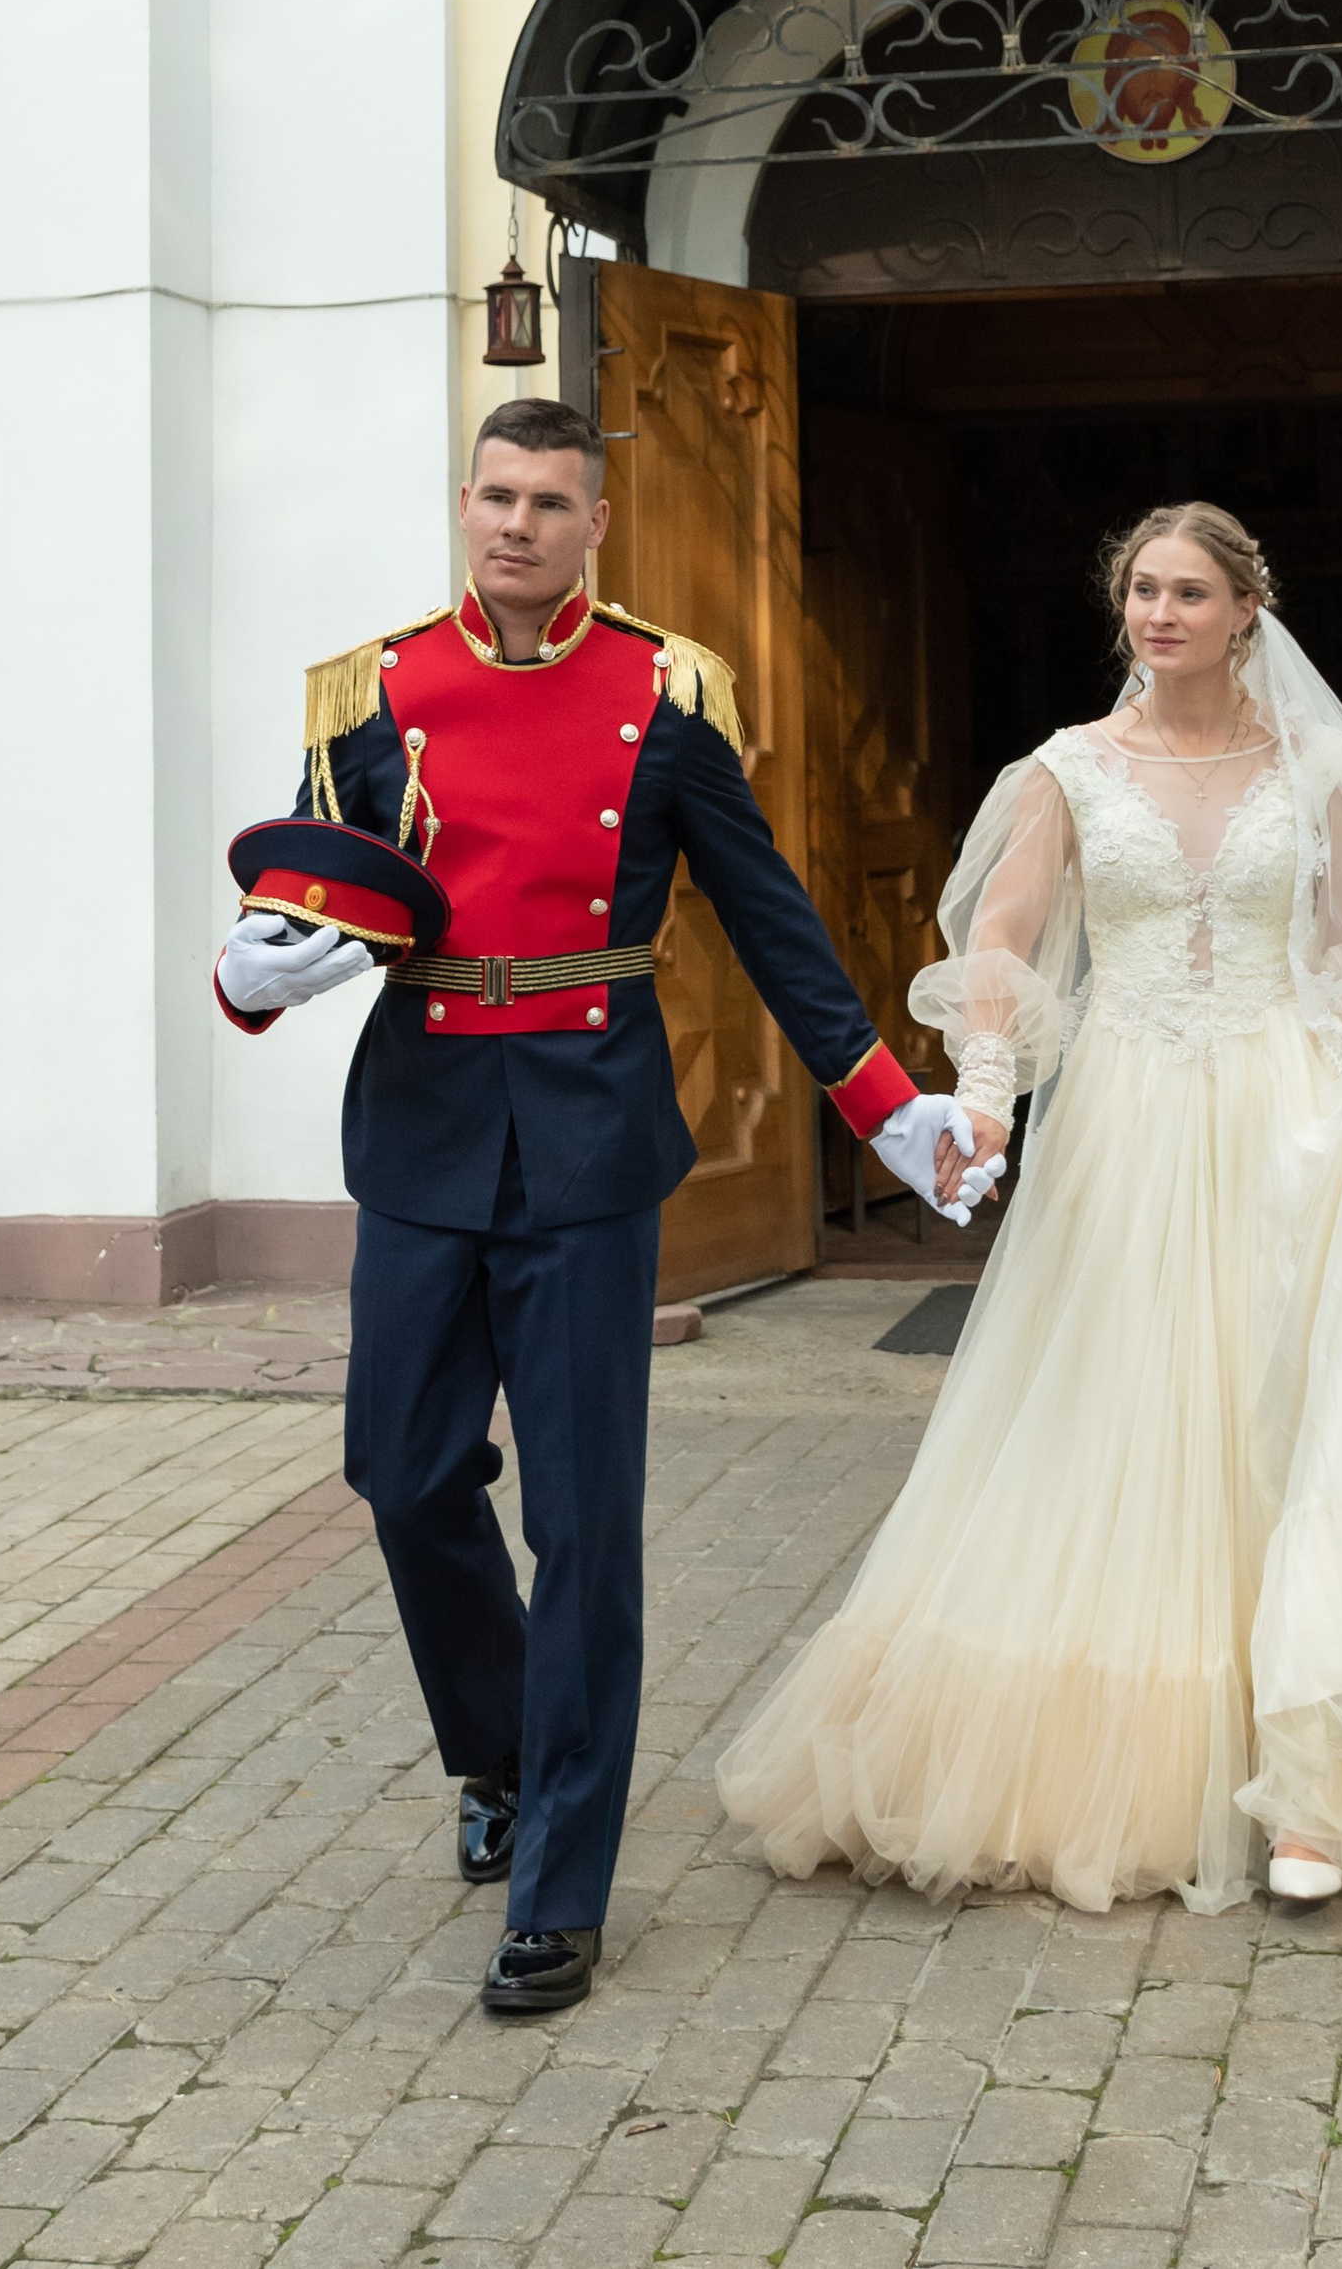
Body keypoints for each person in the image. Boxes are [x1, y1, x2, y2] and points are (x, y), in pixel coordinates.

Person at [717, 499, 1342, 1911]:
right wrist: (985, 1094)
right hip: (1124, 1115)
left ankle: (1320, 1759)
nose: (1160, 613)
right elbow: (1002, 937)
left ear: (1249, 608)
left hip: (1288, 1110)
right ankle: (1133, 1731)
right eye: (1142, 588)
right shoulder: (1065, 768)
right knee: (1126, 1404)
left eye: (1189, 590)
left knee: (1301, 1409)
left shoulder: (1316, 765)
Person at [216, 396, 999, 2012]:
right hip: (425, 1126)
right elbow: (312, 900)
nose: (518, 523)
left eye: (549, 501)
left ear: (594, 523)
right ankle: (500, 1749)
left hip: (586, 1136)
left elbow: (769, 913)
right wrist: (247, 977)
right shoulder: (370, 691)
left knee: (582, 1521)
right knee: (402, 1472)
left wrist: (883, 1103)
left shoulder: (664, 689)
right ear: (467, 503)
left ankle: (559, 1886)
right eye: (497, 495)